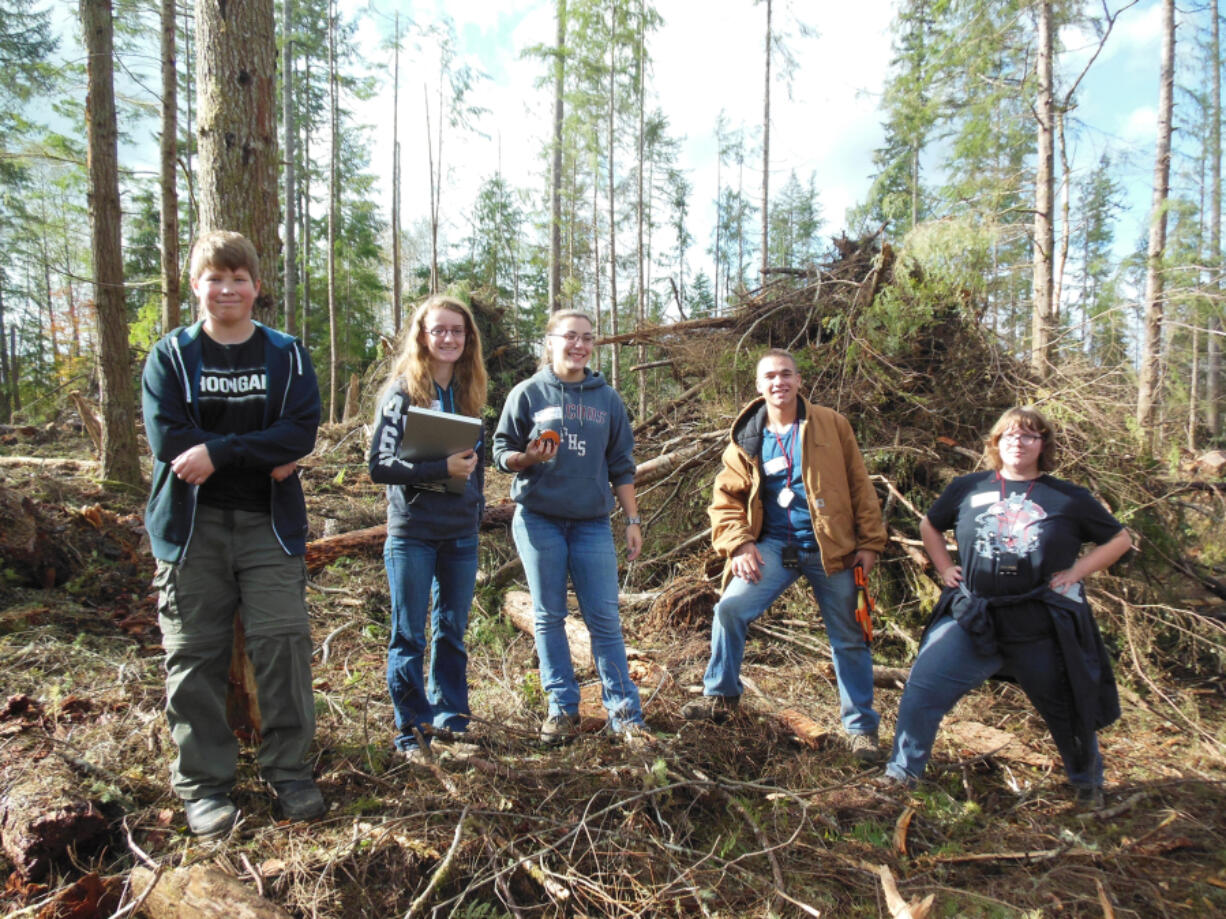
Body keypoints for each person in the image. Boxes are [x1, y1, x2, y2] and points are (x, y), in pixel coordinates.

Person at [141, 230, 324, 837]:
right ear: (196, 286)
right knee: (193, 655)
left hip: (267, 525)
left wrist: (218, 452)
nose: (227, 289)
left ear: (256, 287)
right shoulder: (171, 356)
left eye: (238, 279)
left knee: (283, 644)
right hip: (191, 530)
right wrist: (255, 449)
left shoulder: (287, 355)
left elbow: (298, 433)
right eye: (215, 279)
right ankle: (205, 784)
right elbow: (171, 441)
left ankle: (289, 770)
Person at [881, 407, 1132, 807]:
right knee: (922, 687)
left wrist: (1076, 572)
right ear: (996, 442)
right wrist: (944, 567)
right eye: (1010, 435)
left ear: (1043, 445)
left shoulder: (1068, 497)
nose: (1019, 442)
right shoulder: (968, 487)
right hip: (973, 616)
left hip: (1040, 622)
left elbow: (1119, 539)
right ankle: (901, 775)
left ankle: (1088, 783)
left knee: (1067, 705)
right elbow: (930, 524)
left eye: (1029, 436)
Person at [683, 349, 888, 762]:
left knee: (850, 638)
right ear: (759, 386)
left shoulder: (832, 424)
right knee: (731, 609)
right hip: (773, 547)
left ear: (799, 381)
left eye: (787, 375)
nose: (780, 383)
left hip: (832, 548)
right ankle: (721, 697)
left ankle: (861, 731)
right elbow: (724, 500)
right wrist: (740, 544)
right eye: (771, 377)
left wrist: (869, 543)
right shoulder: (747, 438)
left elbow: (860, 486)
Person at [493, 310, 646, 744]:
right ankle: (562, 708)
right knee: (549, 615)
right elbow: (502, 451)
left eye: (587, 338)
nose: (579, 345)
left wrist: (632, 519)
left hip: (592, 523)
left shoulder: (607, 399)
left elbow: (621, 465)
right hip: (539, 518)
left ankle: (625, 715)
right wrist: (525, 459)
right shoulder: (527, 392)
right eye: (570, 337)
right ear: (550, 341)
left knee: (604, 618)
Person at [368, 295, 487, 760]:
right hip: (413, 531)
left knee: (452, 632)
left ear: (467, 338)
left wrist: (475, 508)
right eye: (439, 330)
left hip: (460, 533)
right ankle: (411, 732)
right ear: (421, 335)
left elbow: (473, 467)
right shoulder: (402, 391)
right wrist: (441, 469)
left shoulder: (469, 391)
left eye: (457, 331)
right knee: (409, 635)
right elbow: (379, 465)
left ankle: (452, 722)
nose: (449, 339)